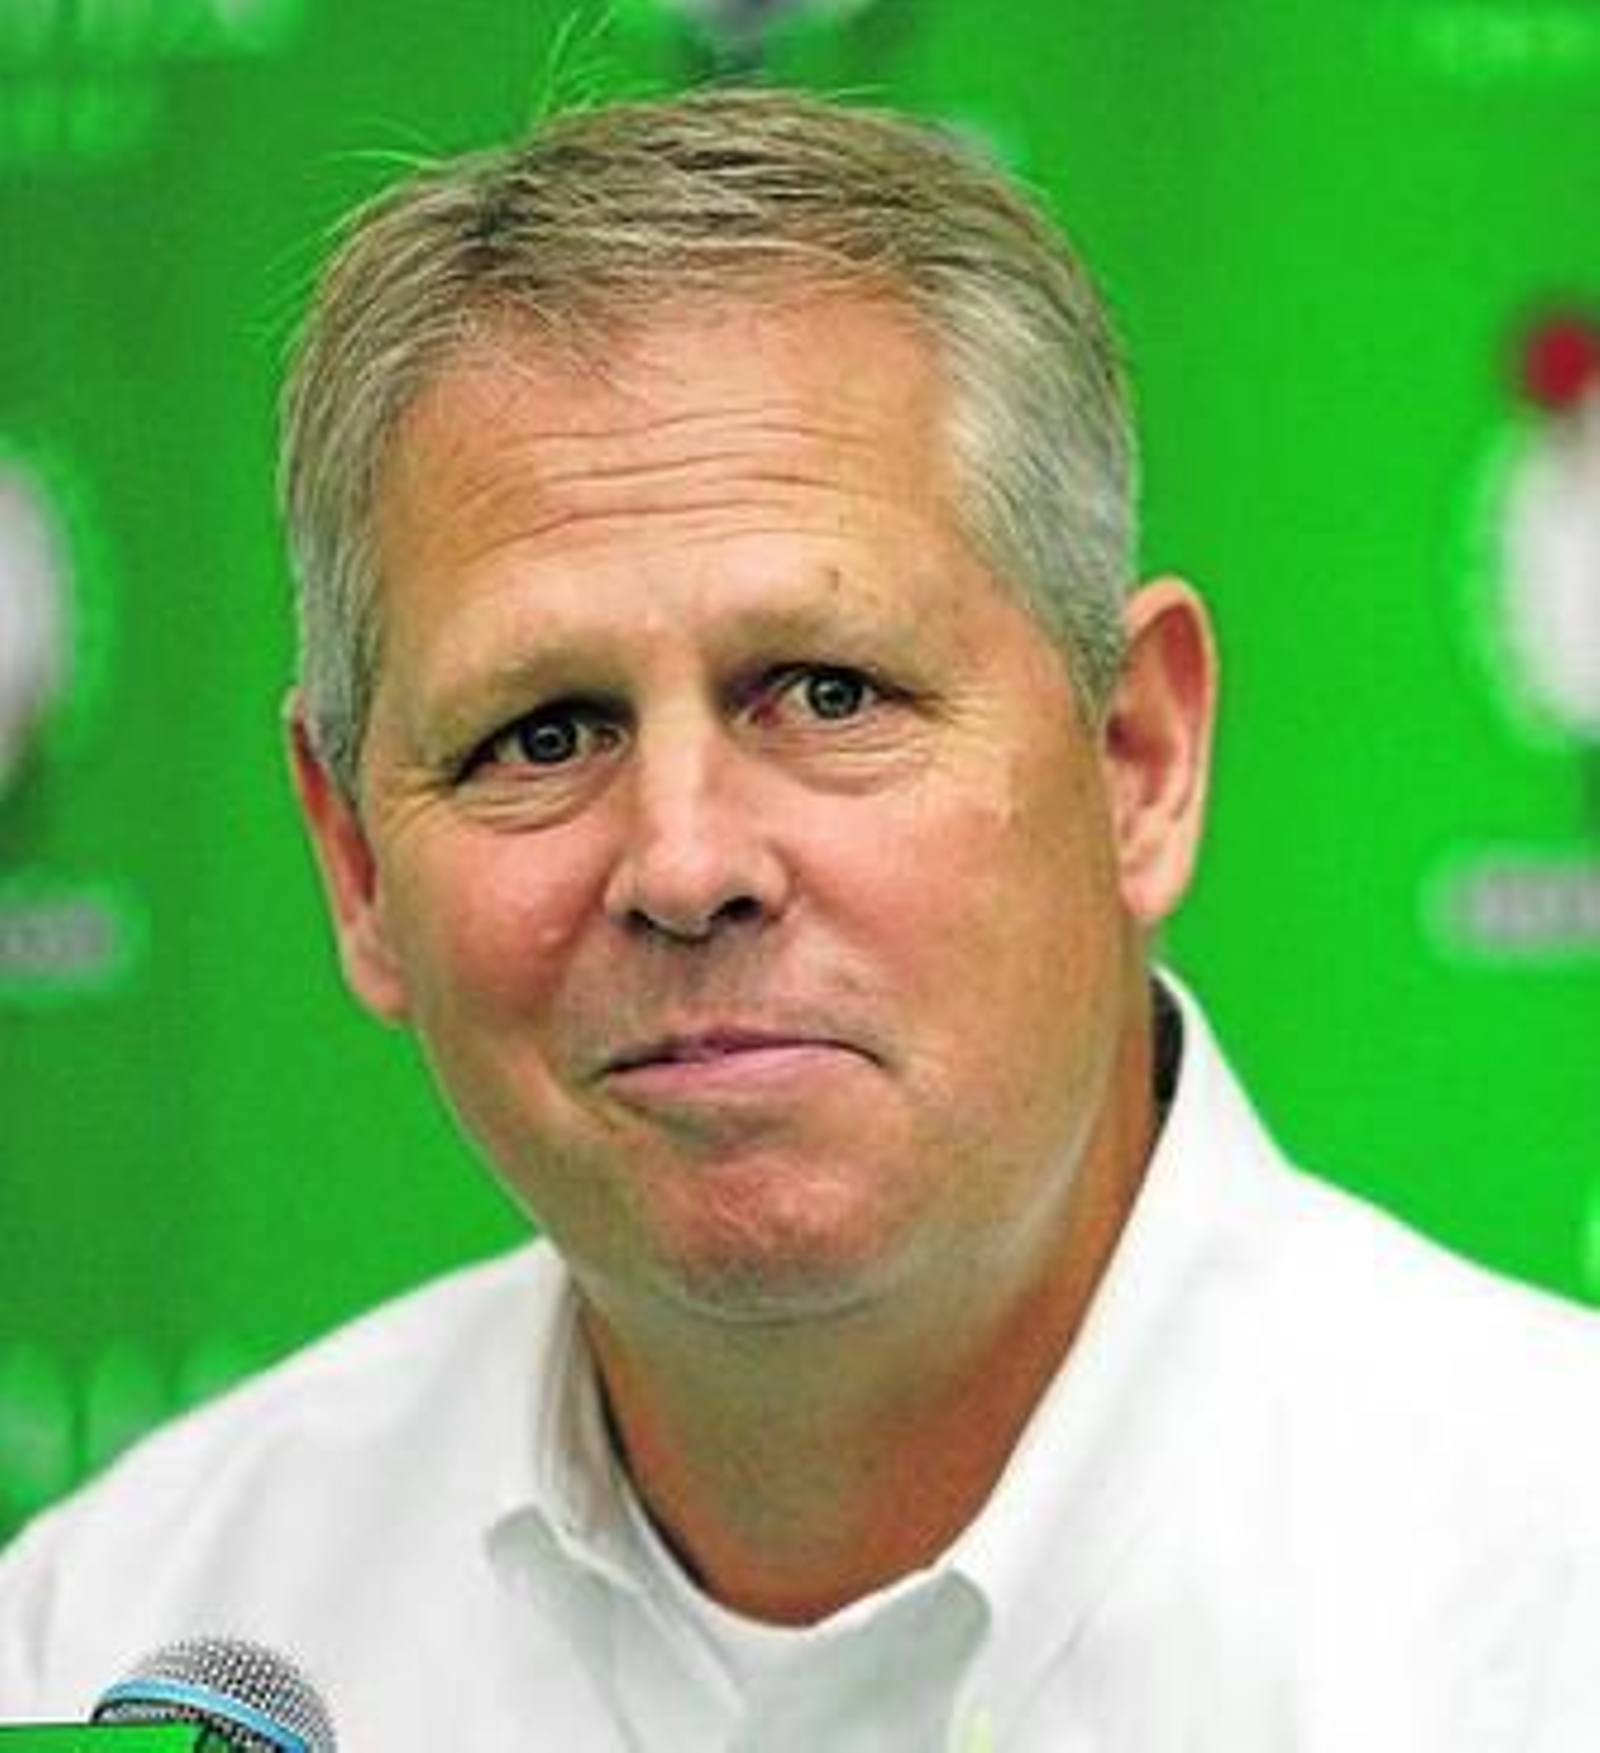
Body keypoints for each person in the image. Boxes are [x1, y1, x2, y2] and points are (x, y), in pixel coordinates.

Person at [2, 86, 1597, 1752]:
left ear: (1138, 757)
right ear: (352, 864)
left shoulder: (1557, 1595)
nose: (685, 863)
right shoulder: (127, 1633)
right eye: (542, 733)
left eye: (828, 692)